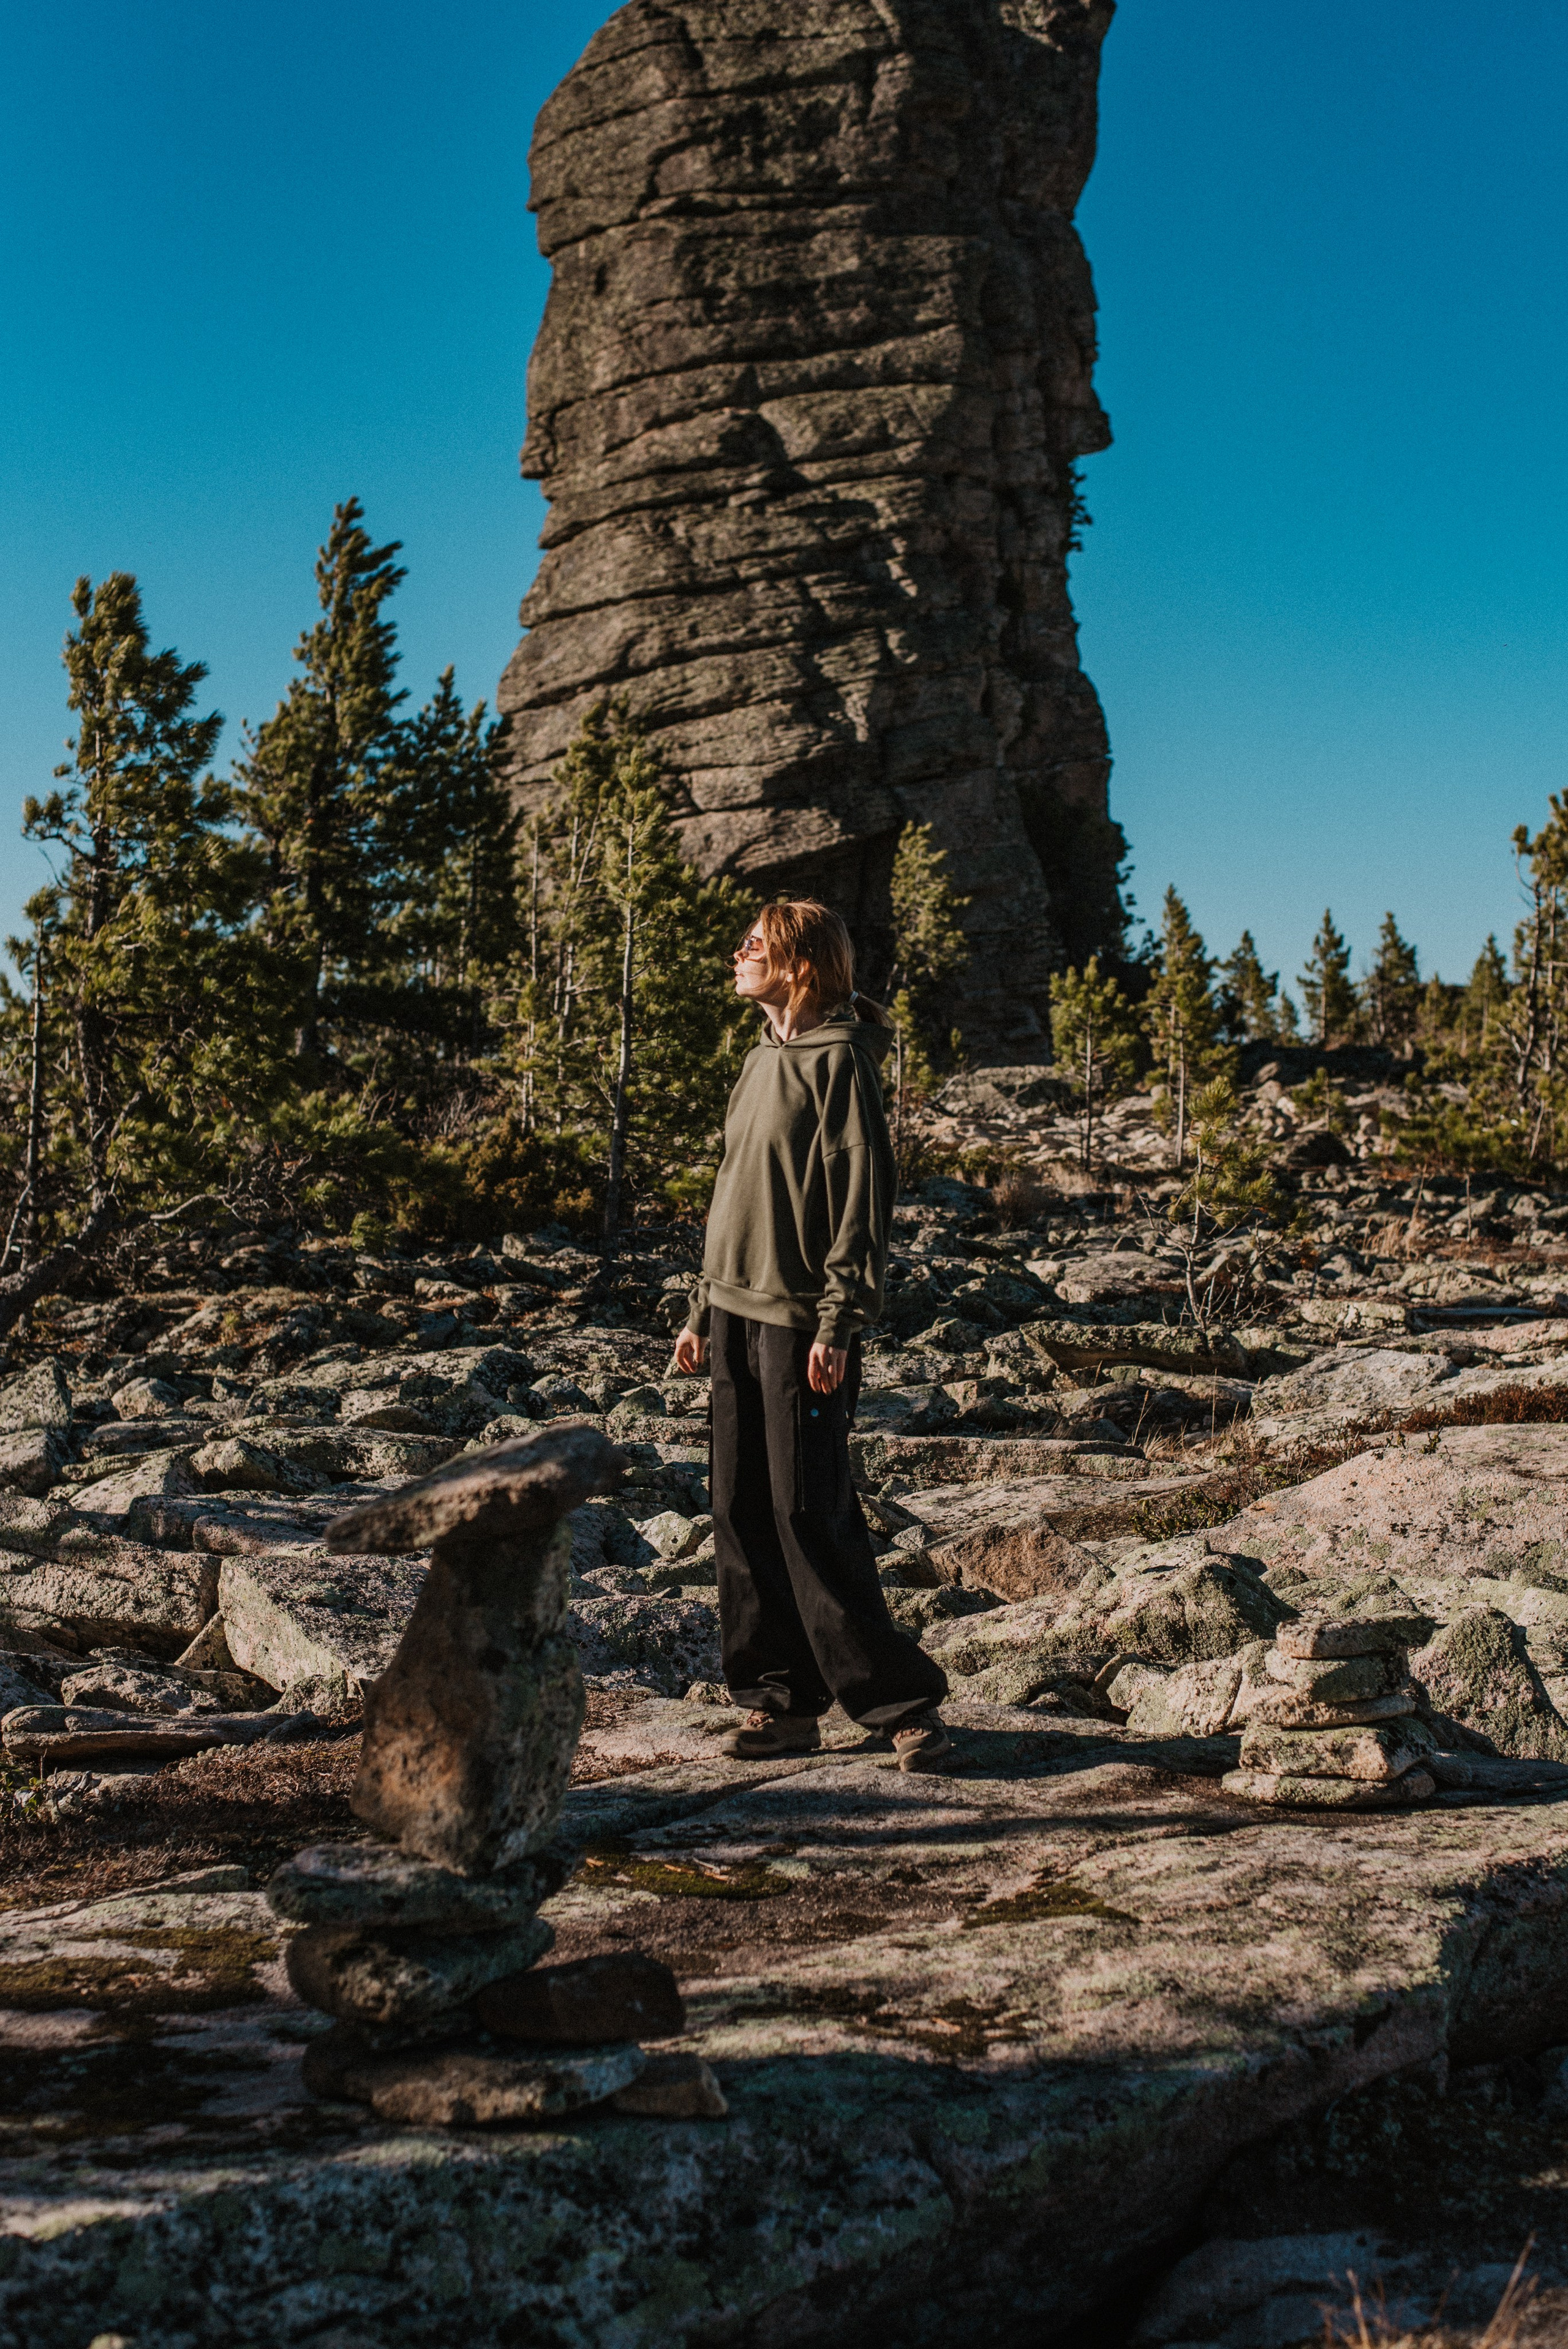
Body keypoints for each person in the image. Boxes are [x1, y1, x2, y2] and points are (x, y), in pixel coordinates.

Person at [673, 897, 953, 1770]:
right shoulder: (759, 1062)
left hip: (802, 1324)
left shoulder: (841, 1066)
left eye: (753, 946)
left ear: (800, 967)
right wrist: (697, 1310)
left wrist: (838, 1322)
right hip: (731, 1312)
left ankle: (902, 1705)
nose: (737, 954)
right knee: (737, 1507)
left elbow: (861, 1202)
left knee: (810, 1510)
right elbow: (732, 1194)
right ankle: (779, 1705)